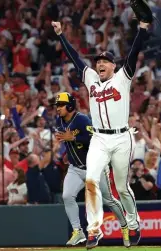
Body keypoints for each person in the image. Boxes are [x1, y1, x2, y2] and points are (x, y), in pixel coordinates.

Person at [52, 18, 150, 248]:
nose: (100, 64)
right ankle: (94, 230)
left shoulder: (122, 77)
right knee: (91, 179)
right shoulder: (92, 79)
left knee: (123, 188)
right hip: (99, 138)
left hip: (121, 138)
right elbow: (75, 58)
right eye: (98, 62)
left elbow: (134, 51)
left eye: (105, 61)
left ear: (113, 65)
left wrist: (142, 29)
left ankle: (134, 224)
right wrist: (60, 35)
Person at [54, 92, 129, 247]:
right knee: (67, 196)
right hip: (75, 167)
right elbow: (69, 143)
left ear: (70, 106)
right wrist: (67, 152)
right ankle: (77, 231)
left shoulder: (81, 120)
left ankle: (125, 225)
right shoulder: (59, 121)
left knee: (109, 200)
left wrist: (74, 139)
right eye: (57, 105)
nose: (58, 108)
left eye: (61, 105)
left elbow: (97, 140)